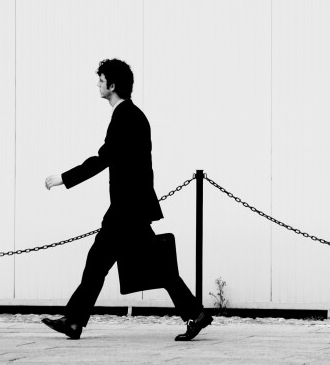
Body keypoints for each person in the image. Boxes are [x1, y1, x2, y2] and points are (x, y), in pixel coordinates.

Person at [41, 59, 213, 341]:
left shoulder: (125, 117)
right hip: (131, 208)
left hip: (126, 209)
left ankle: (74, 321)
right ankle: (195, 313)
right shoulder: (132, 116)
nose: (97, 84)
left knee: (99, 263)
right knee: (152, 266)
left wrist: (64, 177)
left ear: (112, 85)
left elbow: (103, 158)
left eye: (101, 80)